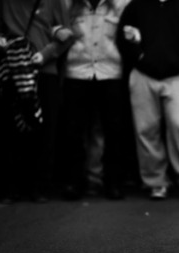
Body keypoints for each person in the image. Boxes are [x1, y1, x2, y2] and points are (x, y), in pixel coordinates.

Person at [116, 0, 179, 200]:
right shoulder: (136, 6)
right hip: (143, 75)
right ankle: (156, 182)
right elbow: (121, 38)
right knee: (146, 129)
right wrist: (139, 57)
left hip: (177, 75)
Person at [0, 0, 72, 204]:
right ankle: (12, 186)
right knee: (12, 129)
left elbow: (67, 37)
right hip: (14, 69)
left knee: (44, 129)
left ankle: (39, 186)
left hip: (45, 70)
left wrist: (45, 54)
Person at [60, 0, 130, 201]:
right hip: (77, 71)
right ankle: (74, 181)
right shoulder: (69, 5)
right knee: (73, 129)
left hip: (110, 71)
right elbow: (53, 23)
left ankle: (113, 182)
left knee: (113, 129)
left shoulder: (119, 4)